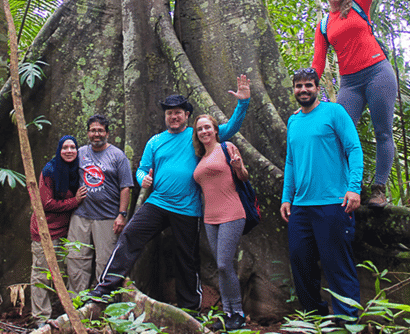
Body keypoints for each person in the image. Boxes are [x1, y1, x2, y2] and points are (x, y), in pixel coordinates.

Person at [87, 75, 252, 312]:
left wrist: (243, 102)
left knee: (187, 259)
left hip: (188, 208)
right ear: (165, 117)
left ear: (186, 116)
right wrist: (143, 178)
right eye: (169, 113)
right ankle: (104, 289)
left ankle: (190, 308)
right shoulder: (155, 141)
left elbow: (230, 128)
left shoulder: (197, 136)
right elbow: (142, 168)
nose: (173, 116)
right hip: (158, 202)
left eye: (178, 112)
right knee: (130, 236)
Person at [311, 0, 410, 207]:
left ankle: (379, 189)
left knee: (383, 131)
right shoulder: (323, 25)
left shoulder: (358, 4)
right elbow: (318, 63)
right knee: (339, 132)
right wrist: (308, 92)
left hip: (378, 73)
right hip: (350, 83)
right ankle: (345, 186)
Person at [280, 68, 364, 322]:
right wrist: (287, 197)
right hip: (301, 207)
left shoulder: (334, 112)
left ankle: (346, 321)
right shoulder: (293, 121)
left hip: (333, 202)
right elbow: (291, 162)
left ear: (317, 88)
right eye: (299, 86)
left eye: (308, 85)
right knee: (300, 263)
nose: (303, 90)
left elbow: (354, 148)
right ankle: (314, 318)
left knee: (337, 265)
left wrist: (354, 187)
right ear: (293, 89)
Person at [192, 114, 249, 331]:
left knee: (224, 264)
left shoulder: (226, 147)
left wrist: (237, 167)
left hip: (232, 213)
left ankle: (239, 313)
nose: (204, 132)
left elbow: (244, 177)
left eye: (207, 127)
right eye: (200, 129)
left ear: (216, 130)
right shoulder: (200, 157)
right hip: (210, 218)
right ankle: (227, 313)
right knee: (221, 267)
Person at [66, 115, 134, 293]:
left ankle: (102, 303)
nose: (96, 134)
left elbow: (126, 187)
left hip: (107, 218)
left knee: (105, 261)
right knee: (76, 258)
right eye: (93, 130)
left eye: (100, 130)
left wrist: (122, 214)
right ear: (88, 133)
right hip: (80, 215)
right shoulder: (79, 153)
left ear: (107, 133)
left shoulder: (118, 156)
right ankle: (76, 302)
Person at [30, 135, 87, 326]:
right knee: (41, 275)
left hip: (66, 231)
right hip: (45, 231)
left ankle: (69, 313)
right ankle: (41, 319)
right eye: (65, 148)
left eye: (73, 147)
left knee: (66, 273)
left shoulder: (76, 170)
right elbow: (45, 203)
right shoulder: (50, 170)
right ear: (59, 150)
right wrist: (75, 201)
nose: (69, 151)